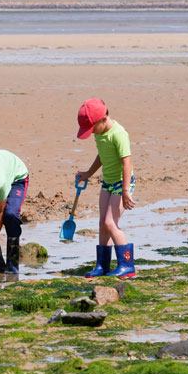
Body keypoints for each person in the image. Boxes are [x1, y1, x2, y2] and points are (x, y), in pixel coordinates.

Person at [75, 98, 136, 279]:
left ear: (103, 120)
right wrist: (88, 173)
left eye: (92, 128)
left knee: (111, 223)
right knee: (102, 223)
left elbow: (127, 162)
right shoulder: (99, 133)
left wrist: (125, 191)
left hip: (122, 184)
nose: (91, 132)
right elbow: (102, 156)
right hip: (108, 182)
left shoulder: (118, 134)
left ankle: (127, 265)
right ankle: (103, 265)